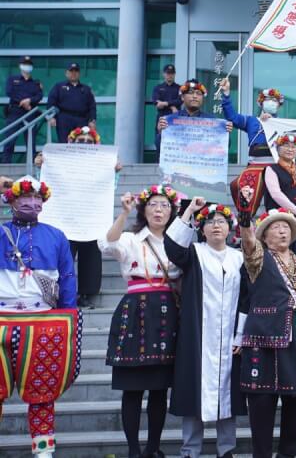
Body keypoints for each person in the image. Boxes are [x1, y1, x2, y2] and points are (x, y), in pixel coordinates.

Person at [98, 185, 182, 458]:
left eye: (165, 205)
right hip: (135, 313)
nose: (159, 210)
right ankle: (133, 450)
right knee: (132, 389)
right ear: (144, 210)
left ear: (172, 211)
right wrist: (123, 213)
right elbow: (107, 243)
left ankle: (153, 448)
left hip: (167, 314)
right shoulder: (131, 239)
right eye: (154, 205)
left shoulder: (177, 242)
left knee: (159, 389)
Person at [0, 176, 80, 458]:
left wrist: (68, 314)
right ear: (10, 201)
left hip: (44, 321)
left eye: (37, 198)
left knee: (43, 390)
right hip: (2, 317)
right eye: (25, 197)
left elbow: (68, 276)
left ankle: (43, 450)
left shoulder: (56, 236)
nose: (32, 202)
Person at [236, 195, 296, 458]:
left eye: (285, 227)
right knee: (261, 405)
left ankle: (287, 455)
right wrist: (245, 216)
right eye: (275, 227)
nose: (281, 231)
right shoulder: (258, 258)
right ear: (265, 234)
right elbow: (248, 243)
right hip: (263, 337)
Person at [164, 199, 246, 458]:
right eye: (209, 222)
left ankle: (226, 449)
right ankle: (190, 449)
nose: (215, 226)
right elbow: (173, 248)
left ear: (230, 228)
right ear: (202, 229)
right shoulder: (194, 254)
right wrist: (189, 210)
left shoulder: (239, 257)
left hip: (229, 336)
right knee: (193, 392)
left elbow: (247, 297)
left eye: (221, 221)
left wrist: (241, 333)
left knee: (229, 392)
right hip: (198, 336)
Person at [35, 126, 123, 309]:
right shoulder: (62, 163)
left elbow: (109, 188)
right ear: (71, 143)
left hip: (90, 217)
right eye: (80, 142)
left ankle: (86, 294)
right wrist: (42, 166)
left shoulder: (101, 164)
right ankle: (59, 293)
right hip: (65, 217)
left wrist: (113, 170)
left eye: (89, 142)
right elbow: (46, 184)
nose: (84, 145)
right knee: (63, 257)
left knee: (90, 256)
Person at [221, 77, 284, 216]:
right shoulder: (251, 121)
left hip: (276, 168)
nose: (272, 103)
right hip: (255, 166)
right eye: (268, 100)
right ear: (261, 103)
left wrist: (272, 122)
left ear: (279, 105)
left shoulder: (283, 124)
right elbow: (232, 117)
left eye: (275, 101)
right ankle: (244, 227)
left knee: (275, 205)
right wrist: (226, 94)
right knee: (239, 189)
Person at [263, 133, 296, 258]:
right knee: (280, 258)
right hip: (281, 222)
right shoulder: (271, 169)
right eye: (286, 146)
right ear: (278, 149)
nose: (290, 149)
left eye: (294, 147)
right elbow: (276, 194)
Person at [3, 56, 44, 163]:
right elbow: (9, 92)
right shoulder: (12, 79)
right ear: (20, 66)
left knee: (31, 142)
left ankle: (33, 168)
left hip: (30, 114)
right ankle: (5, 167)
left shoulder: (35, 83)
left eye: (29, 64)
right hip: (14, 113)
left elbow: (39, 95)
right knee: (9, 141)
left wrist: (29, 100)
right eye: (25, 64)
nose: (27, 66)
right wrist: (23, 102)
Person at [156, 78, 234, 135]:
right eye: (190, 92)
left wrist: (226, 133)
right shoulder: (170, 120)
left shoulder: (212, 121)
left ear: (202, 98)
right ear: (182, 97)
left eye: (199, 93)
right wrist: (160, 132)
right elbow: (160, 147)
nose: (195, 96)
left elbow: (222, 148)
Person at [47, 62, 97, 143]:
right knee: (63, 145)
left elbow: (92, 106)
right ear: (66, 73)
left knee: (81, 146)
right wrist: (51, 117)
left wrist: (92, 121)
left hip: (81, 120)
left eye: (76, 71)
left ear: (79, 73)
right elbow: (51, 102)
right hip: (64, 120)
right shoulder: (59, 86)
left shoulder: (86, 89)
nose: (73, 73)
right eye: (71, 71)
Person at [151, 64, 181, 158]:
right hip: (162, 118)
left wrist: (165, 103)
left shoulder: (179, 88)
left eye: (172, 73)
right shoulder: (158, 88)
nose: (170, 75)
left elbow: (180, 100)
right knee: (159, 141)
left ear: (175, 74)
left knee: (175, 142)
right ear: (164, 74)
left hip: (176, 119)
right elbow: (156, 102)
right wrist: (172, 106)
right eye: (168, 73)